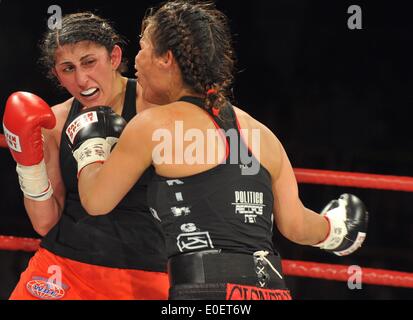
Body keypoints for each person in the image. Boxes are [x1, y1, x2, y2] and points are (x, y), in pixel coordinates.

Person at [73, 1, 367, 300]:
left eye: (143, 47)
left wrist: (90, 144)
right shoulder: (263, 135)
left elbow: (97, 201)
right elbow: (296, 225)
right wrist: (336, 229)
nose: (136, 61)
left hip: (204, 294)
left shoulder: (153, 125)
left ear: (166, 59)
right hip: (272, 292)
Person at [2, 12, 169, 300]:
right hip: (65, 264)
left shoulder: (158, 109)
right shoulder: (53, 123)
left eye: (89, 62)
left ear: (114, 58)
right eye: (67, 69)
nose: (81, 79)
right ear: (57, 74)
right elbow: (44, 223)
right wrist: (27, 165)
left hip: (144, 268)